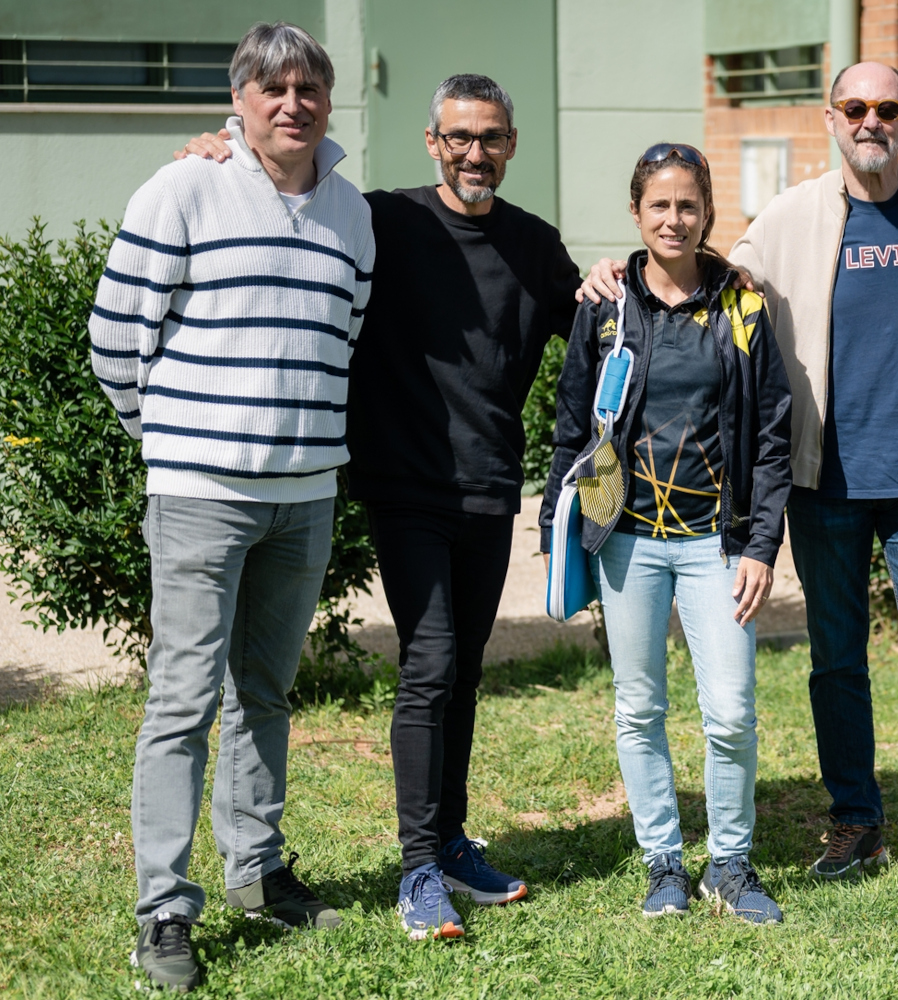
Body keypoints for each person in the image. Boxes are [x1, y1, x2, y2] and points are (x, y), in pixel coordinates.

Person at [580, 62, 898, 910]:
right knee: (837, 663)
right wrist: (612, 273)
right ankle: (856, 820)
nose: (872, 120)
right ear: (831, 117)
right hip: (823, 482)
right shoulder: (790, 217)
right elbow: (698, 273)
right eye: (856, 107)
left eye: (887, 107)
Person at [176, 74, 582, 941]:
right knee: (431, 663)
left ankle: (450, 841)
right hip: (403, 487)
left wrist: (623, 276)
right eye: (460, 137)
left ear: (512, 145)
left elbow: (591, 326)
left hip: (488, 485)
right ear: (432, 142)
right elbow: (282, 197)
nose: (477, 153)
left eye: (494, 138)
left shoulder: (536, 247)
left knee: (464, 671)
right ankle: (416, 871)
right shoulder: (381, 220)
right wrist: (216, 152)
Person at [91, 22, 373, 992]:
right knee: (180, 703)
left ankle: (259, 873)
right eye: (272, 87)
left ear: (328, 102)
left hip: (305, 498)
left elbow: (348, 336)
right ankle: (164, 911)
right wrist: (170, 442)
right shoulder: (184, 187)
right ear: (240, 101)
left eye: (308, 86)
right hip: (202, 496)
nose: (291, 101)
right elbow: (113, 334)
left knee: (266, 691)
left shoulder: (352, 212)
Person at [541, 142, 793, 923]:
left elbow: (774, 435)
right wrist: (559, 528)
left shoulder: (743, 306)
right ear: (636, 212)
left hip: (716, 545)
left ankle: (730, 864)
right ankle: (664, 865)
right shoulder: (607, 306)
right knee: (638, 707)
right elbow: (571, 423)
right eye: (660, 205)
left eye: (688, 205)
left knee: (731, 711)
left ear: (707, 212)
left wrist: (760, 548)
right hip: (627, 542)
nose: (674, 219)